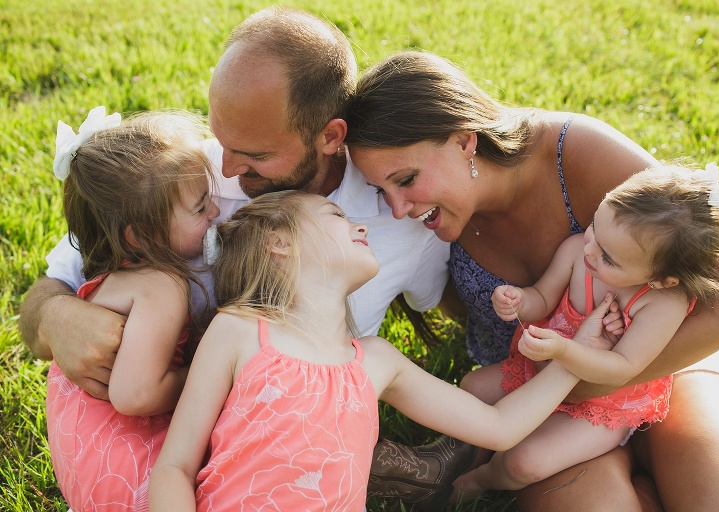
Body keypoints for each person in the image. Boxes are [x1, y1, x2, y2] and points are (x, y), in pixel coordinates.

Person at [19, 7, 461, 510]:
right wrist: (54, 316)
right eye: (222, 140)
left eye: (255, 155)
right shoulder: (185, 178)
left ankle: (411, 471)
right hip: (172, 433)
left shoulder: (401, 220)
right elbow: (58, 281)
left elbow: (446, 302)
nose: (227, 168)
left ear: (330, 137)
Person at [345, 50, 719, 511]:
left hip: (668, 361)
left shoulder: (575, 150)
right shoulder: (421, 220)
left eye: (407, 179)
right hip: (535, 397)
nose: (397, 208)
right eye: (381, 191)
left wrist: (588, 378)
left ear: (464, 141)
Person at [148, 190, 616, 511]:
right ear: (280, 243)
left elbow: (499, 426)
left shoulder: (375, 360)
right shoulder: (240, 330)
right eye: (336, 216)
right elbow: (175, 465)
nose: (359, 226)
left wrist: (578, 355)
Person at [452, 164, 719, 497]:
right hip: (540, 371)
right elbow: (542, 298)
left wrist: (563, 350)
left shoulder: (662, 304)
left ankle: (484, 480)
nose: (589, 249)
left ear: (661, 280)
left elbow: (623, 367)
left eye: (608, 258)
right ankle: (467, 456)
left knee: (524, 463)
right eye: (594, 228)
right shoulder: (580, 251)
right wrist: (519, 302)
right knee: (473, 388)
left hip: (602, 405)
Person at [45, 107, 220, 510]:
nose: (215, 211)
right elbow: (136, 395)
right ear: (141, 236)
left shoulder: (112, 276)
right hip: (135, 473)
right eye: (200, 207)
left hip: (86, 463)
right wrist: (207, 375)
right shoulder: (162, 285)